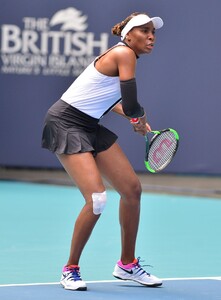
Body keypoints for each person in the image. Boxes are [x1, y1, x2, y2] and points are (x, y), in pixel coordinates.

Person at [42, 11, 164, 291]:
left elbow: (108, 102)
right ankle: (70, 269)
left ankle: (127, 264)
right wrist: (139, 116)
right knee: (97, 199)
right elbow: (132, 104)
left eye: (153, 32)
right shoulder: (125, 54)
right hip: (64, 123)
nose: (150, 36)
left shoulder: (122, 57)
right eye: (144, 31)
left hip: (88, 123)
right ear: (128, 35)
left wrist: (135, 119)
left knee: (132, 190)